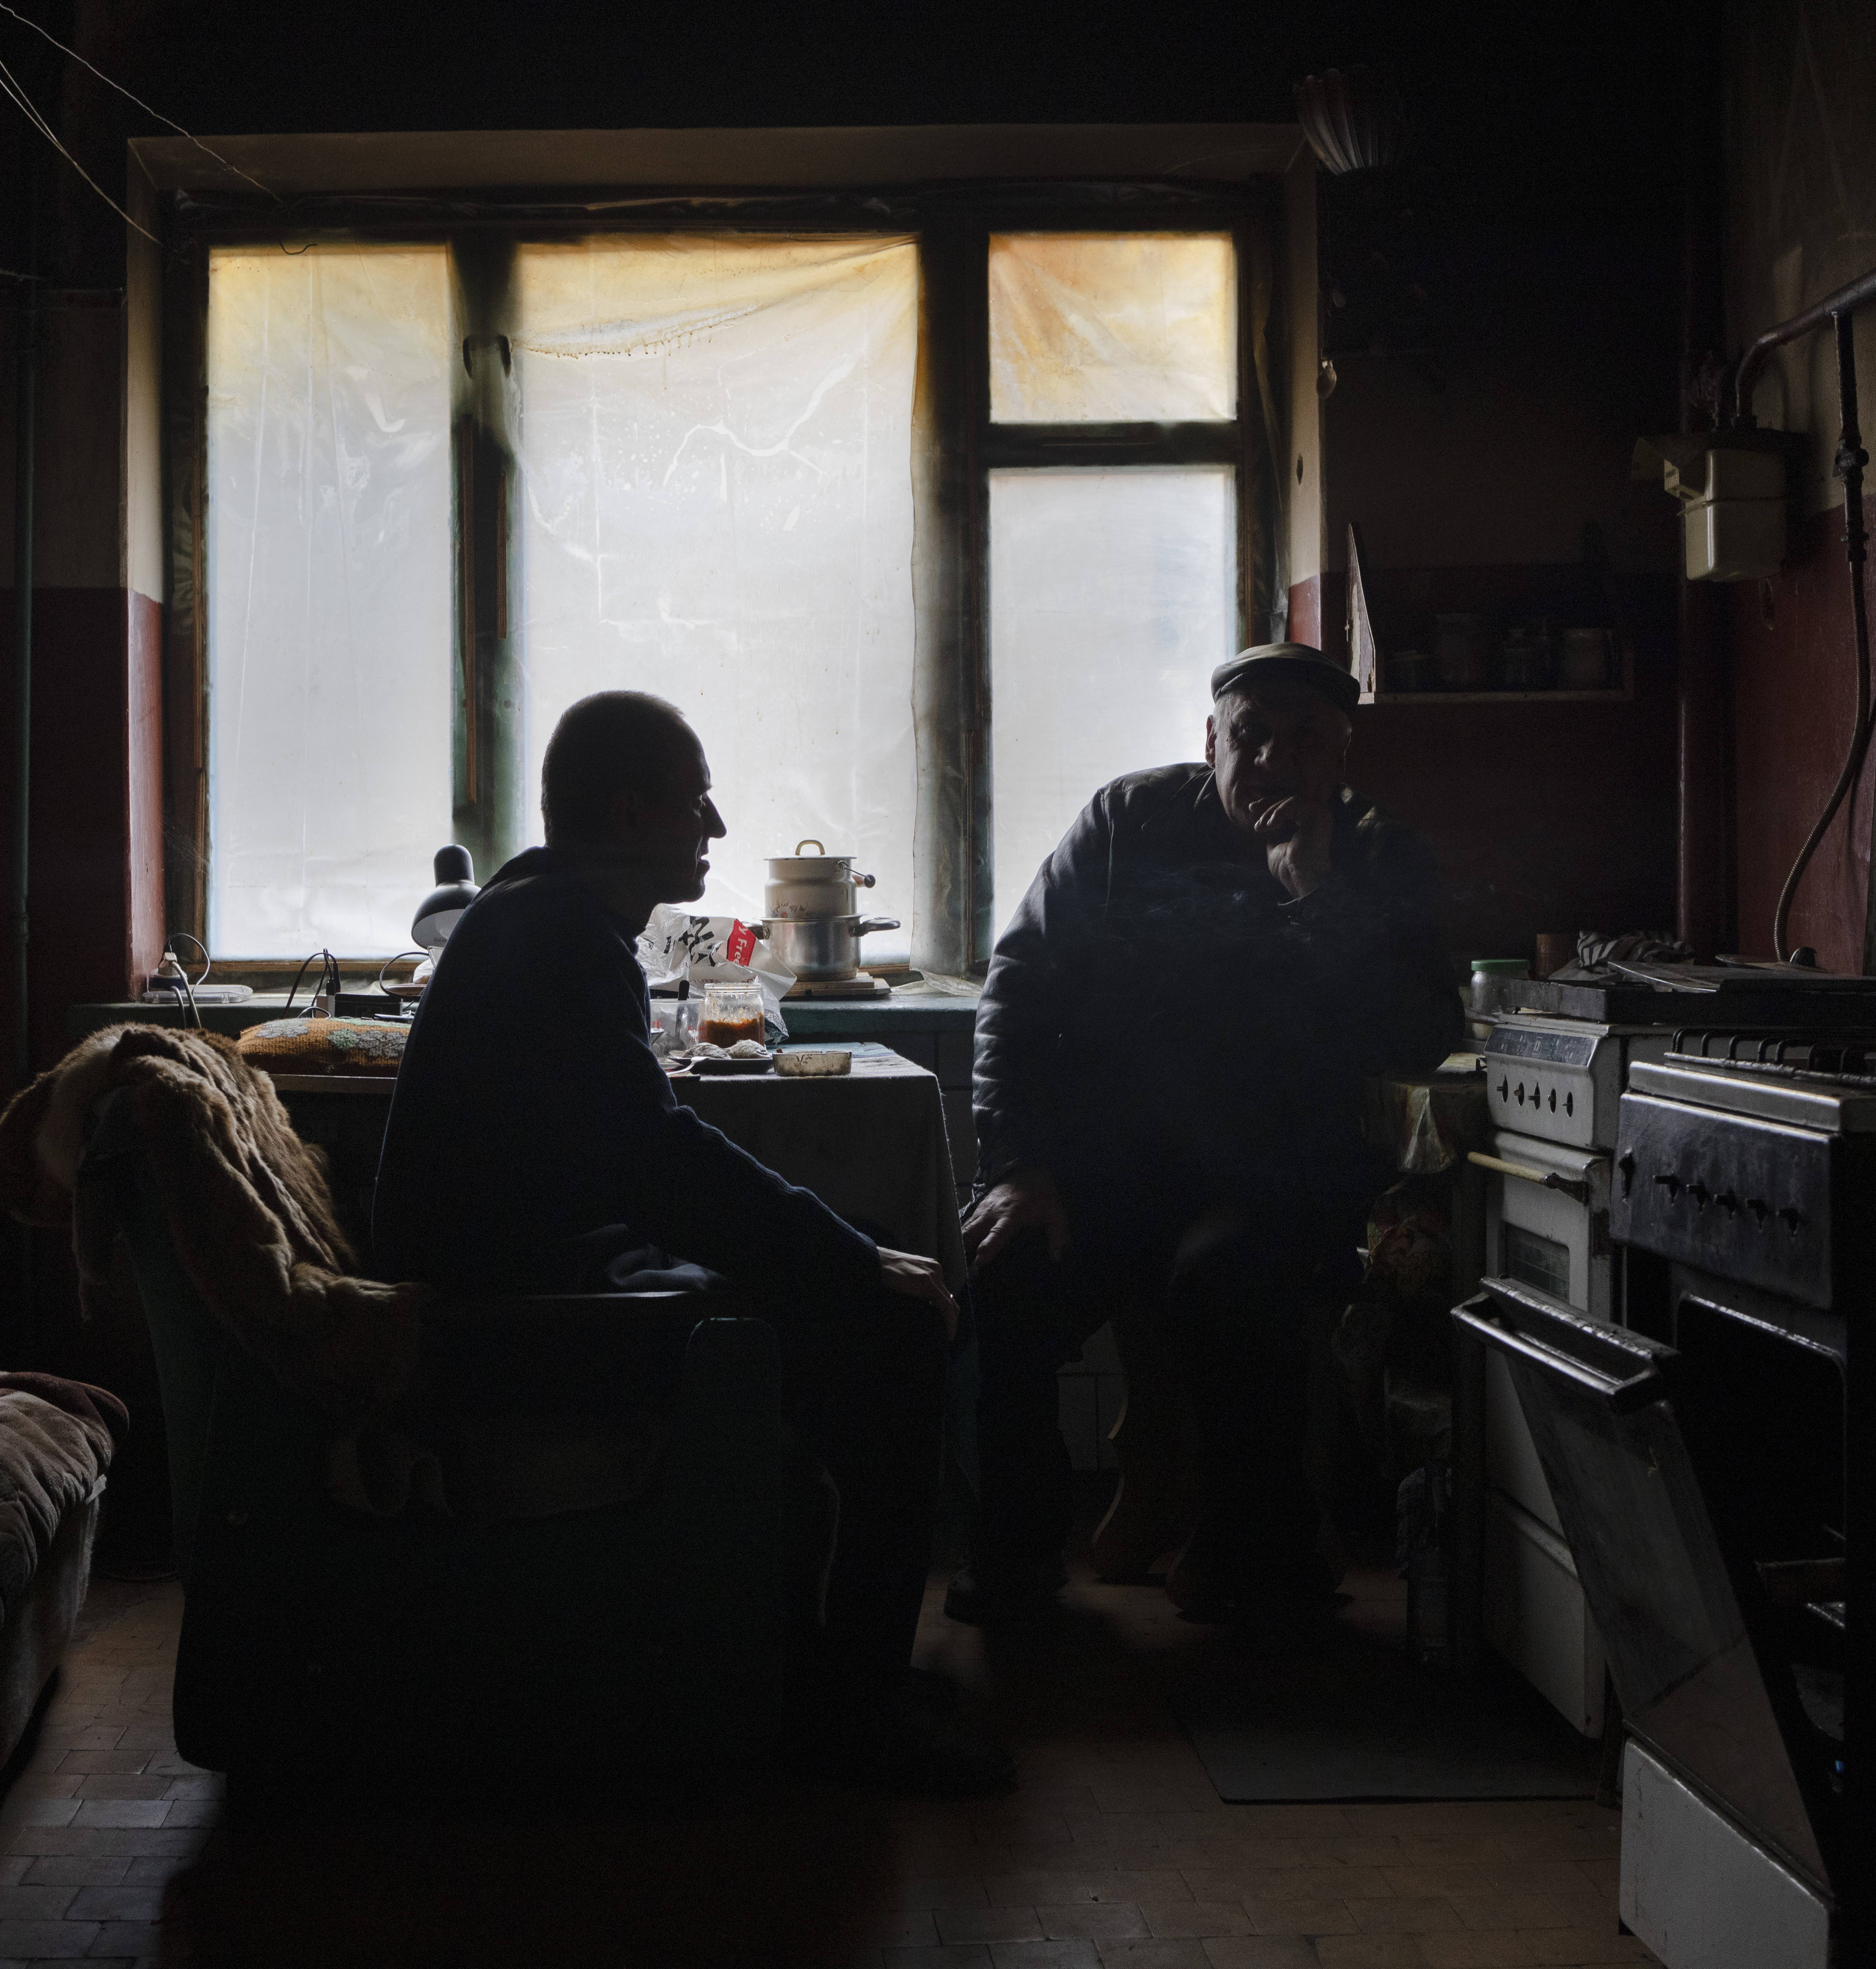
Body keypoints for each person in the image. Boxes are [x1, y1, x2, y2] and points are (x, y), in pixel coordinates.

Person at [368, 689, 1012, 1796]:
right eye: (697, 799)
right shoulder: (561, 935)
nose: (715, 825)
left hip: (547, 1277)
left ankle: (817, 1666)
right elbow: (659, 1163)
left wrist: (844, 1252)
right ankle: (852, 1714)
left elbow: (646, 1158)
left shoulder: (540, 913)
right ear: (631, 814)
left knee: (862, 1270)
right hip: (518, 1321)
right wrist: (854, 1263)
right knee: (894, 1328)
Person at [954, 641, 1461, 1637]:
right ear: (1209, 743)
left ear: (1342, 756)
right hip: (1116, 1169)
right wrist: (1017, 1166)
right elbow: (1018, 992)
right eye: (1250, 736)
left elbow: (1420, 1036)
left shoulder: (1378, 855)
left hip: (1281, 1177)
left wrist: (1315, 894)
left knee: (1228, 1276)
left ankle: (1255, 1556)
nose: (1272, 759)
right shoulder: (1128, 820)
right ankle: (1012, 1563)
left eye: (1302, 739)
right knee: (1004, 1271)